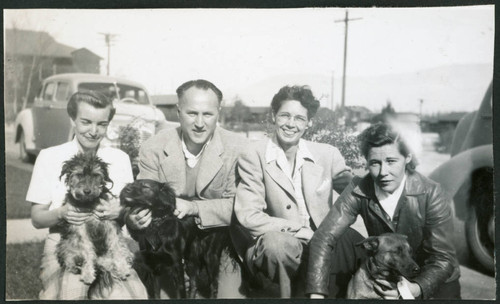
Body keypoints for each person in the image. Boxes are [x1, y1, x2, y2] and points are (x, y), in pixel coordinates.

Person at [306, 122, 461, 299]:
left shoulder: (431, 193)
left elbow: (443, 258)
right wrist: (316, 293)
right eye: (375, 163)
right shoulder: (359, 188)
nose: (383, 172)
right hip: (388, 269)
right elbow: (324, 237)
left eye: (391, 161)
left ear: (408, 157)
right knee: (341, 238)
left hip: (431, 277)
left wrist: (416, 288)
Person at [125, 79, 248, 298]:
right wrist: (134, 219)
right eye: (192, 113)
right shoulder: (153, 148)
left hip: (220, 242)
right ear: (178, 111)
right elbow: (141, 204)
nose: (200, 123)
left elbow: (239, 207)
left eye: (208, 114)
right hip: (170, 243)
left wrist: (193, 208)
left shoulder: (238, 148)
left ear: (218, 113)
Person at [232, 85, 352, 298]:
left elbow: (355, 192)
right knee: (277, 246)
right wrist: (300, 230)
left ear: (309, 122)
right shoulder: (254, 154)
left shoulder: (327, 154)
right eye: (285, 116)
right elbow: (249, 216)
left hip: (321, 244)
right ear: (273, 116)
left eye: (299, 118)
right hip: (278, 247)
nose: (290, 124)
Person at [28, 91, 148, 300]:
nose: (93, 131)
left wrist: (122, 210)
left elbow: (128, 215)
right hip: (66, 242)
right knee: (71, 294)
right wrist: (62, 213)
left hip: (110, 242)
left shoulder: (119, 159)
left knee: (132, 296)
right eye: (86, 122)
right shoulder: (49, 156)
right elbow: (37, 218)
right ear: (72, 118)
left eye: (101, 124)